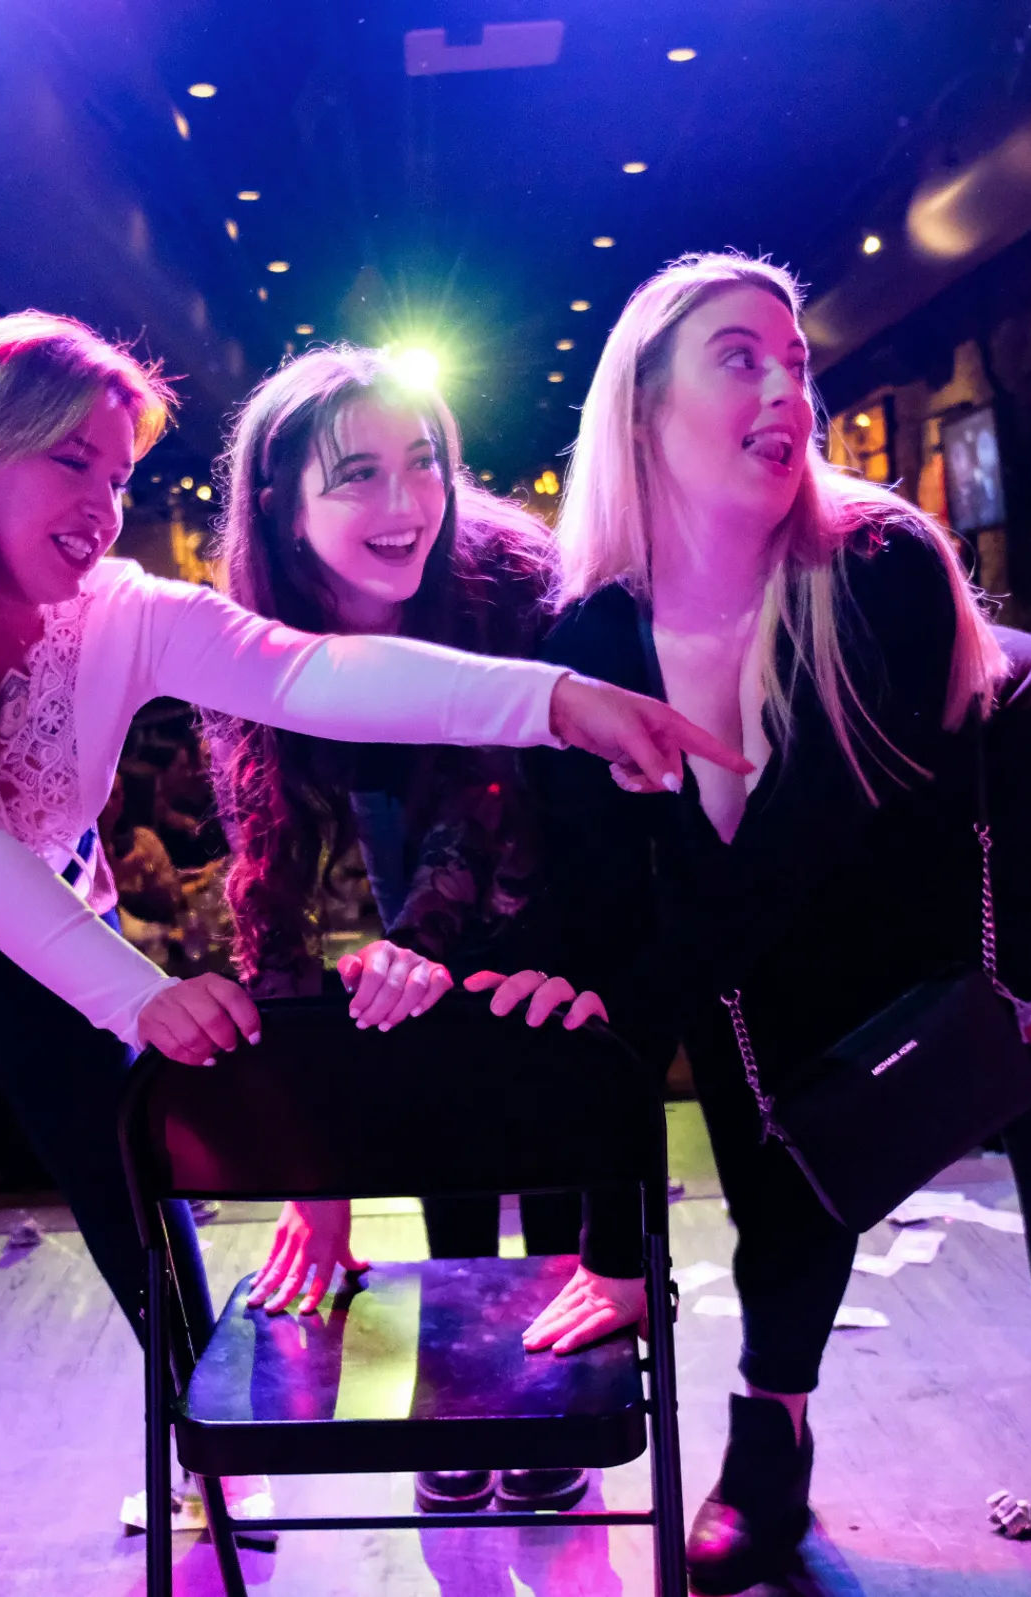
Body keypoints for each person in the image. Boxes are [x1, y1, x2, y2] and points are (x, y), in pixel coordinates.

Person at [0, 310, 741, 1597]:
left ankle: (211, 1462)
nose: (104, 505)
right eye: (71, 464)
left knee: (126, 1189)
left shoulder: (124, 610)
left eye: (119, 474)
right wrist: (137, 996)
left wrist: (554, 703)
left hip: (34, 899)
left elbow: (316, 675)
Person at [521, 253, 1031, 1597]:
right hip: (840, 897)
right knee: (758, 1058)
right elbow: (610, 929)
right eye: (739, 357)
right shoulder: (593, 637)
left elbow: (777, 858)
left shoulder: (877, 565)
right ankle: (765, 1453)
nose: (787, 387)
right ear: (643, 404)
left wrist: (624, 1010)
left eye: (797, 362)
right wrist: (603, 1211)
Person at [201, 345, 608, 1516]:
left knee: (536, 1101)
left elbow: (498, 792)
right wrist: (308, 1171)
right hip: (404, 892)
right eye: (360, 475)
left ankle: (555, 1370)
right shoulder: (244, 638)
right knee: (423, 1089)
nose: (405, 505)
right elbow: (268, 882)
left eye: (423, 464)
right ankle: (464, 1376)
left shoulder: (512, 585)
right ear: (278, 502)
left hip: (548, 891)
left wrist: (426, 939)